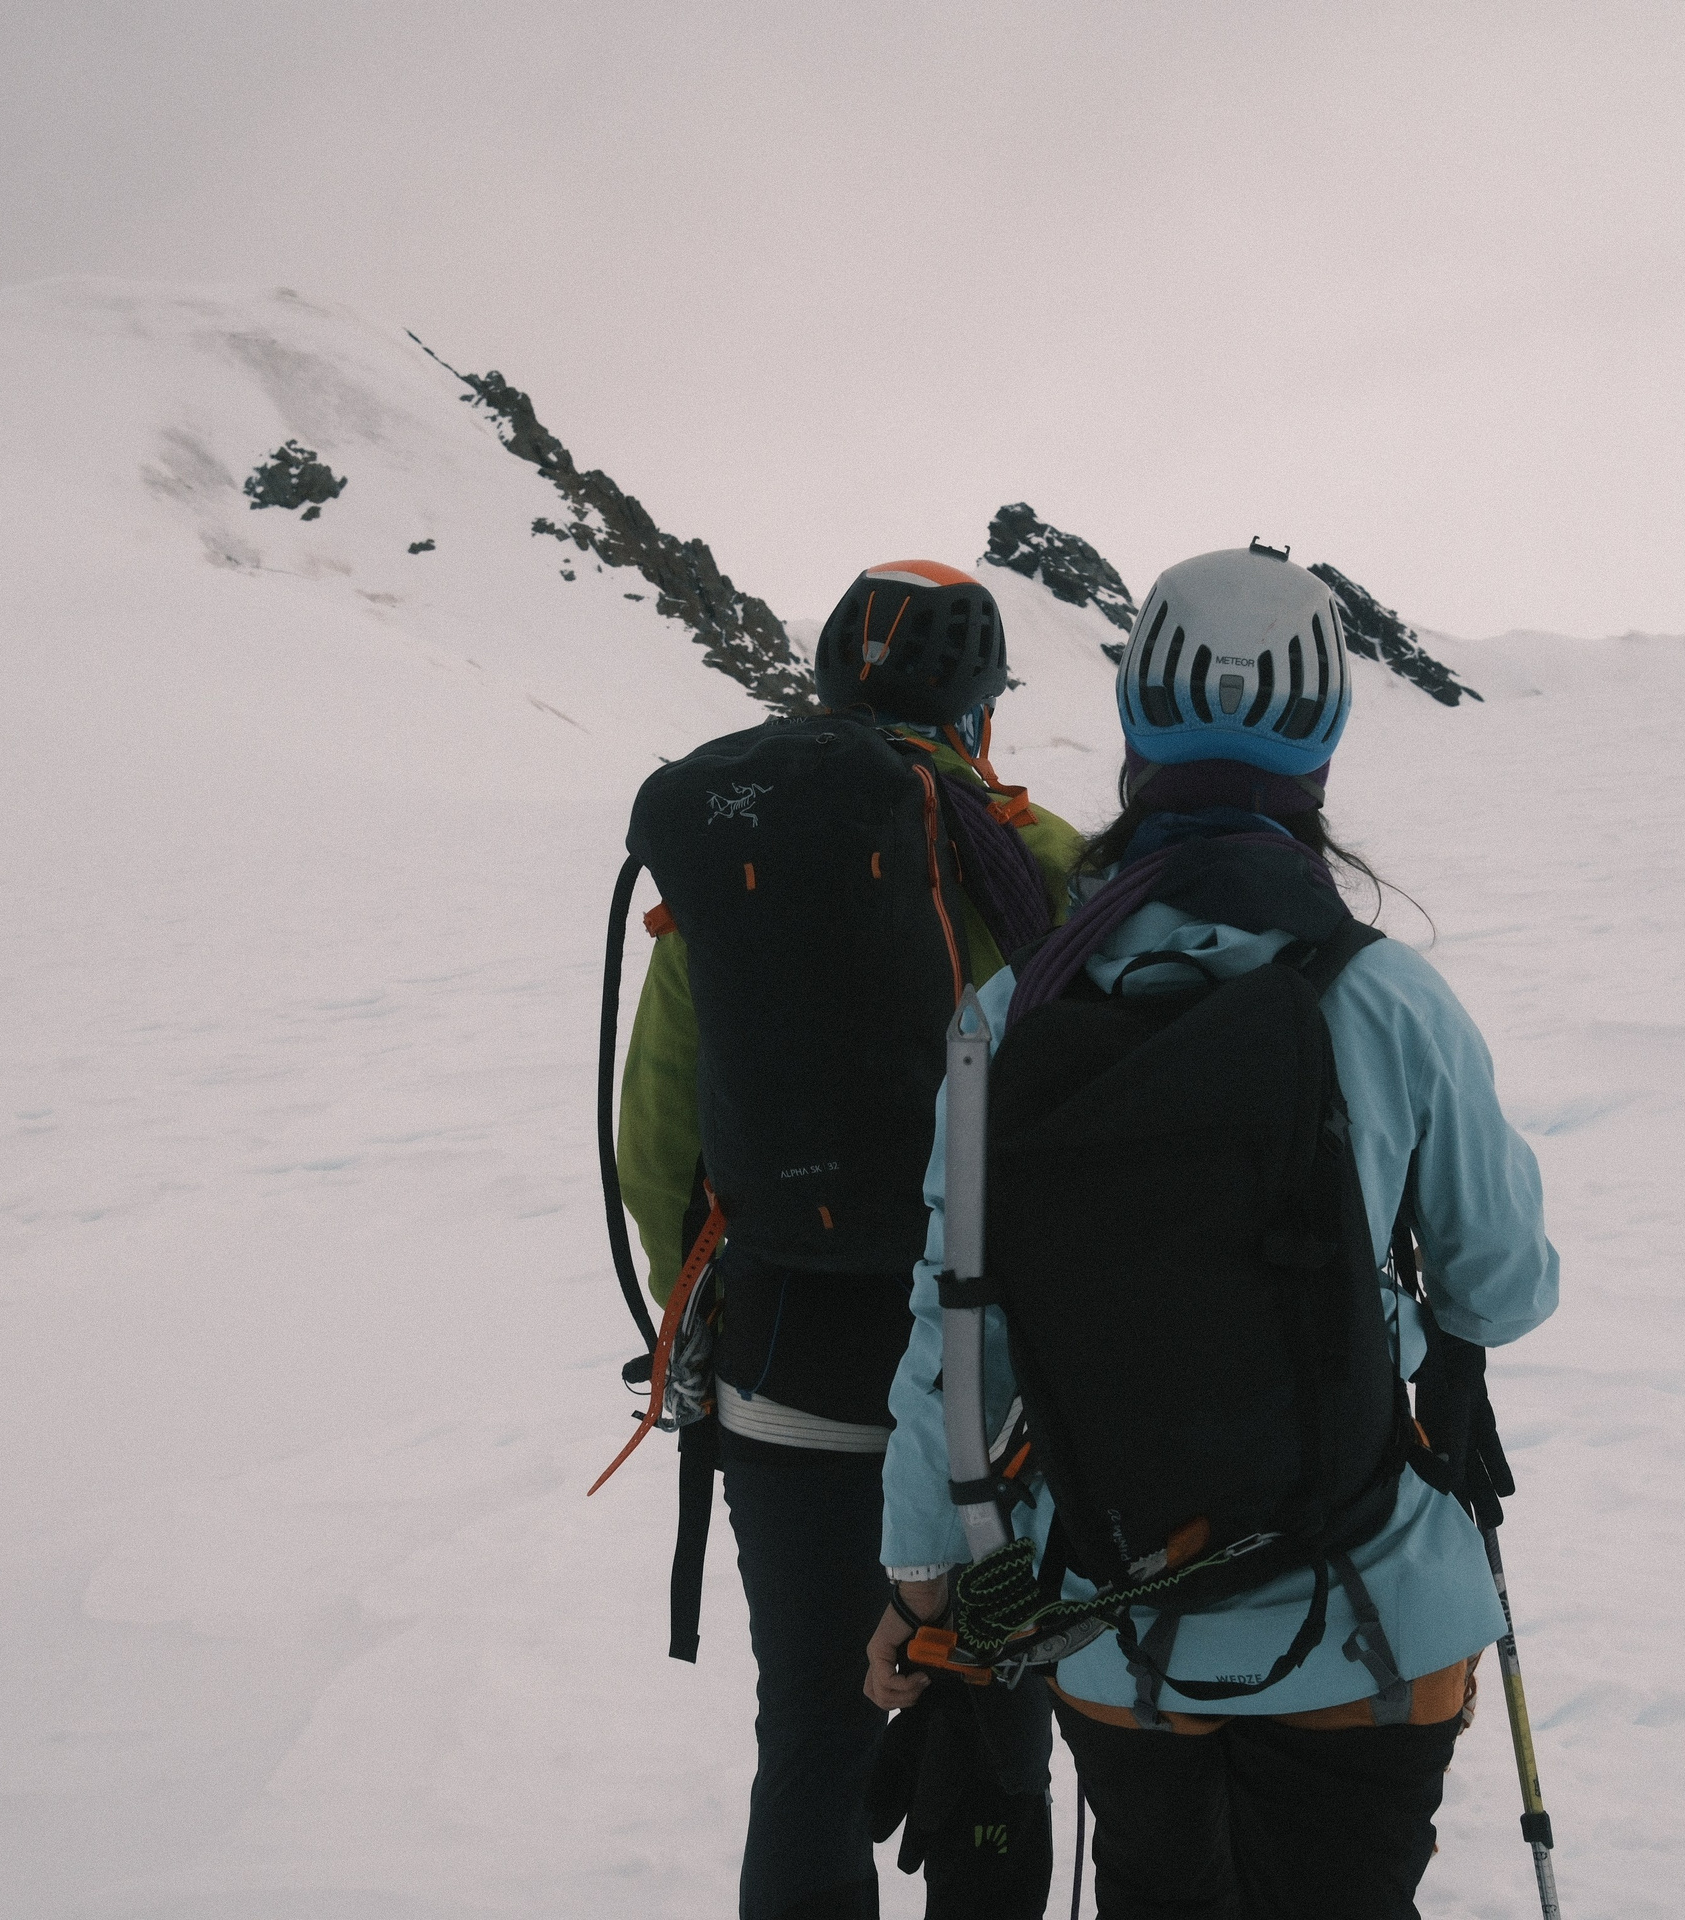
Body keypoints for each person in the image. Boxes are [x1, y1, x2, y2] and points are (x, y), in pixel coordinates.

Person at [865, 543, 1559, 1919]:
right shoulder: (1388, 998)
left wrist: (922, 1584)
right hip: (1379, 1619)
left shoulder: (1007, 1026)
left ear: (1134, 733)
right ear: (1324, 750)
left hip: (1118, 1639)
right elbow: (1504, 1278)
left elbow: (958, 1345)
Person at [620, 559, 1086, 1920]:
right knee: (997, 1731)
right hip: (991, 1389)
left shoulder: (732, 859)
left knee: (813, 1731)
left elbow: (659, 1138)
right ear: (978, 709)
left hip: (784, 1358)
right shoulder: (1037, 858)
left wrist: (691, 1316)